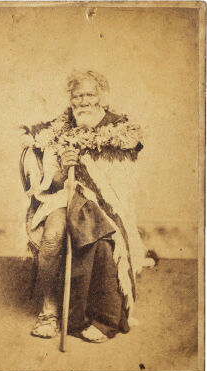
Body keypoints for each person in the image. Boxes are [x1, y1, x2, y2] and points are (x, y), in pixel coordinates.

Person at [20, 70, 155, 343]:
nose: (83, 101)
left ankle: (100, 316)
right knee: (52, 236)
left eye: (90, 94)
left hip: (104, 203)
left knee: (101, 238)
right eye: (77, 95)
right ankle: (49, 310)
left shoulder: (120, 129)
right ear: (70, 99)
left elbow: (122, 184)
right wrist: (65, 167)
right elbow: (51, 183)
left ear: (102, 97)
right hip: (64, 197)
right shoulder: (58, 130)